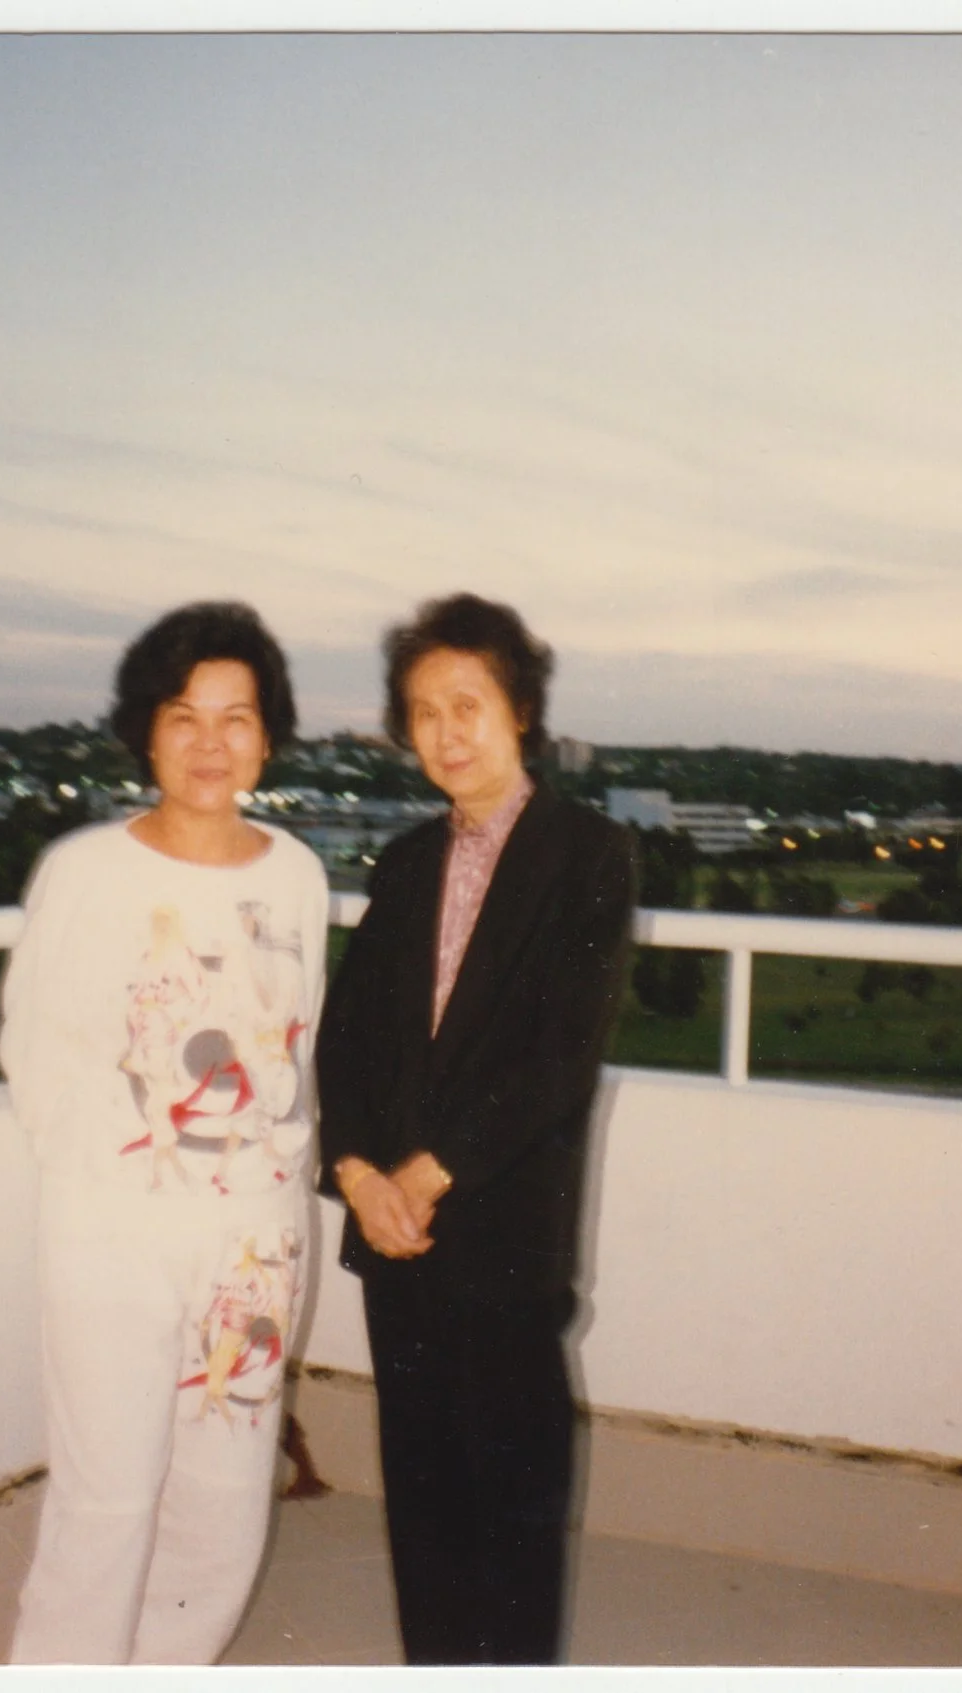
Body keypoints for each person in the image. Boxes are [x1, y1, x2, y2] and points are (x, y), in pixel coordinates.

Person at [0, 601, 328, 1664]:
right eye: (183, 715)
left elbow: (293, 1042)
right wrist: (107, 1181)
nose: (209, 742)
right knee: (107, 1493)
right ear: (146, 729)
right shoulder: (86, 870)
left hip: (254, 1239)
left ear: (267, 738)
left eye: (235, 719)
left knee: (227, 1489)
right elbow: (34, 1047)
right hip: (113, 1228)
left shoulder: (297, 873)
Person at [316, 592, 639, 1664]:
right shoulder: (405, 863)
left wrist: (427, 1174)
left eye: (469, 704)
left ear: (521, 711)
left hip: (498, 1237)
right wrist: (358, 1174)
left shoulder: (589, 855)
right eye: (423, 712)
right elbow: (348, 1038)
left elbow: (558, 1058)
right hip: (396, 1244)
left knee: (511, 1524)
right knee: (422, 1519)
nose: (446, 732)